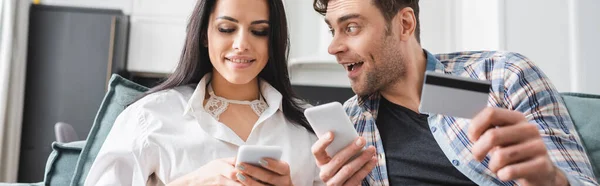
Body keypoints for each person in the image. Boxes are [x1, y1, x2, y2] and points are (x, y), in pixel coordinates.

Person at [309, 0, 598, 185]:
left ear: (404, 24)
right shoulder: (352, 123)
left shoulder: (501, 77)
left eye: (351, 27)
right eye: (332, 30)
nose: (334, 47)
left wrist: (551, 180)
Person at [84, 0, 323, 185]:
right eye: (227, 28)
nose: (242, 44)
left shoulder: (309, 129)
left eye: (259, 31)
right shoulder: (150, 116)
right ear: (203, 35)